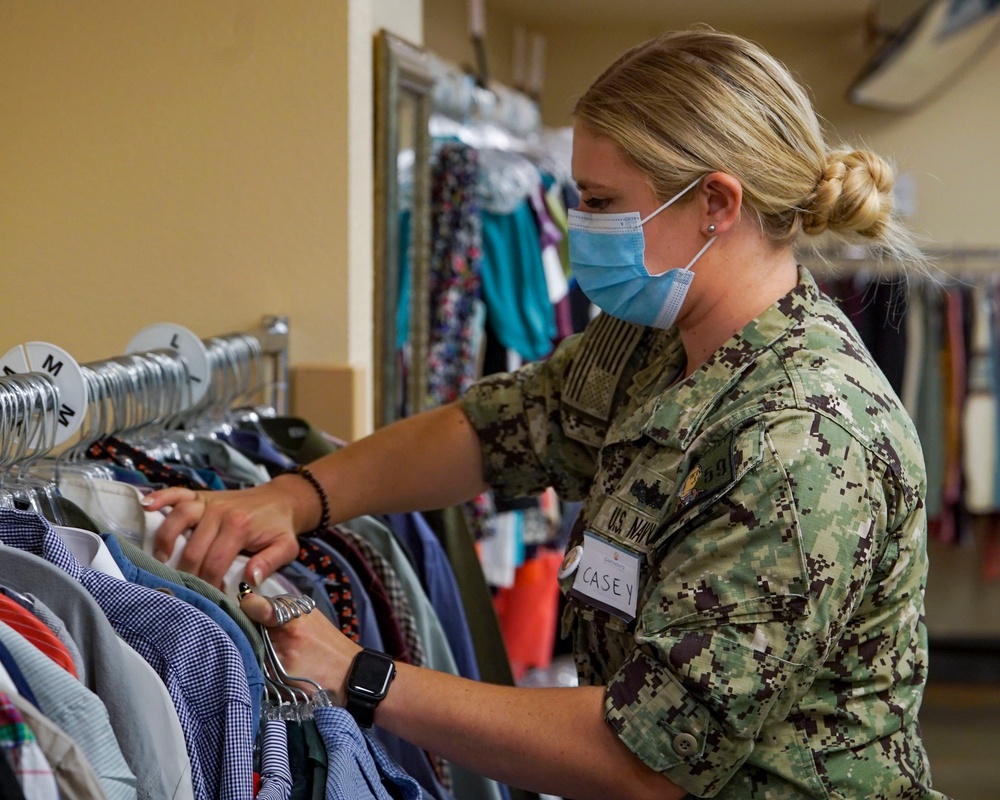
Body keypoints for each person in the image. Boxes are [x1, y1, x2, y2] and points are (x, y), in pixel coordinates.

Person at [144, 28, 947, 800]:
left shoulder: (800, 437)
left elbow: (644, 758)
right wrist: (295, 496)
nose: (578, 225)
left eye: (601, 201)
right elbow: (496, 429)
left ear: (714, 204)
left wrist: (358, 674)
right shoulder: (651, 342)